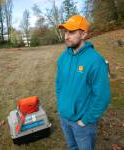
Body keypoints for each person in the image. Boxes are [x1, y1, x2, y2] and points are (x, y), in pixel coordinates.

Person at [55, 15, 111, 150]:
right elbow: (59, 84)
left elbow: (102, 96)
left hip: (82, 124)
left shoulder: (95, 61)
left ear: (84, 34)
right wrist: (61, 105)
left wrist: (86, 120)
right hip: (64, 118)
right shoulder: (63, 57)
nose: (66, 36)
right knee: (72, 147)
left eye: (71, 32)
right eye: (65, 32)